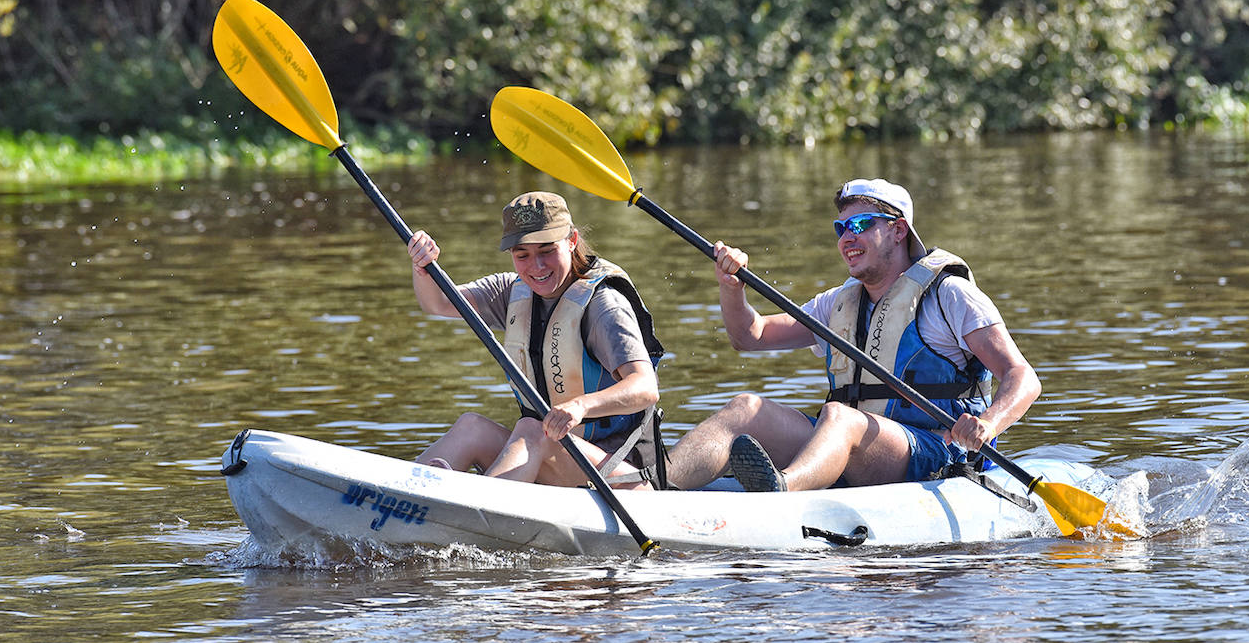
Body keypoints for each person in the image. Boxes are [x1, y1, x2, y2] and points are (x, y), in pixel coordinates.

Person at [665, 178, 1041, 492]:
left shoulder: (950, 295)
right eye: (840, 228)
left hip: (936, 452)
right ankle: (653, 488)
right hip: (853, 445)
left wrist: (989, 423)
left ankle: (782, 490)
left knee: (839, 417)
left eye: (860, 225)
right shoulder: (837, 303)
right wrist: (731, 287)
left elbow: (1022, 377)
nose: (847, 237)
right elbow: (751, 336)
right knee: (745, 408)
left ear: (897, 230)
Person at [406, 191, 667, 488]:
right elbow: (438, 303)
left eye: (546, 251)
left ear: (571, 241)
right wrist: (423, 268)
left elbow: (645, 388)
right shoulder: (510, 291)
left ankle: (479, 507)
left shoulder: (604, 306)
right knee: (471, 427)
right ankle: (410, 497)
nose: (537, 267)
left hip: (625, 479)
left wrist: (580, 406)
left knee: (533, 429)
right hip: (559, 457)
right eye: (523, 256)